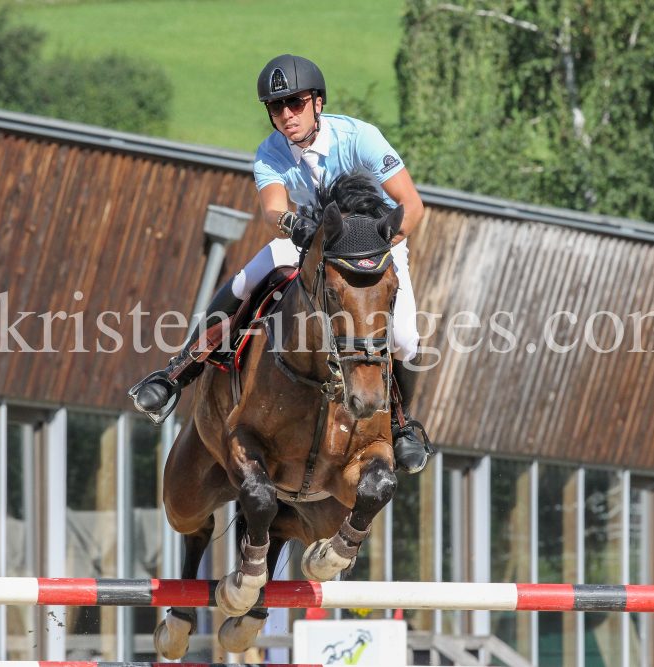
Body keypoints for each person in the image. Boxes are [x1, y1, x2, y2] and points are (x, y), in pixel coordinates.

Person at [131, 54, 431, 473]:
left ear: (318, 103)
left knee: (405, 338)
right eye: (277, 107)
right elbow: (273, 211)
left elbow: (412, 206)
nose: (287, 115)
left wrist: (377, 248)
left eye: (296, 103)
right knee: (250, 274)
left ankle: (401, 425)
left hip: (375, 243)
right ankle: (176, 373)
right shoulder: (270, 152)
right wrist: (290, 222)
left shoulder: (361, 137)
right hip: (315, 241)